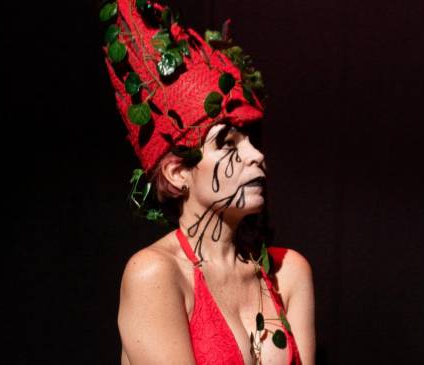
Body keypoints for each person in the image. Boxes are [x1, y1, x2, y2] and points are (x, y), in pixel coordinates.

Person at [100, 1, 315, 363]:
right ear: (178, 173)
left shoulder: (288, 272)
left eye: (251, 140)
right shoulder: (155, 274)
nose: (255, 156)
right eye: (228, 144)